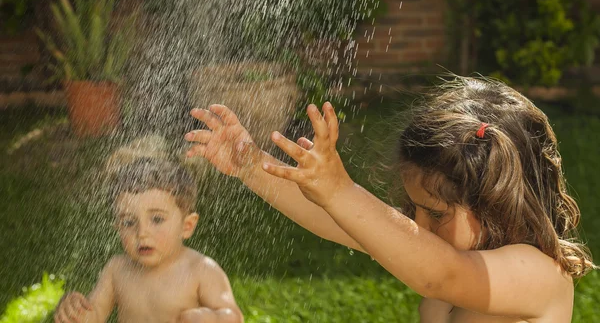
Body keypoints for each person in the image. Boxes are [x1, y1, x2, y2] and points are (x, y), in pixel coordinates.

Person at [185, 76, 595, 322]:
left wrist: (340, 190)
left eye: (434, 212)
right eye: (414, 208)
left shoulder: (539, 276)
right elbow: (340, 221)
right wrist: (250, 165)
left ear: (497, 204)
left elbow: (443, 275)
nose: (418, 222)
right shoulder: (436, 248)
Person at [54, 158, 243, 323]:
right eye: (128, 222)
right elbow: (94, 316)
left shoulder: (201, 270)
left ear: (187, 226)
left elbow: (234, 317)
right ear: (117, 227)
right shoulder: (117, 270)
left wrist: (207, 318)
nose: (141, 233)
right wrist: (74, 313)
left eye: (157, 219)